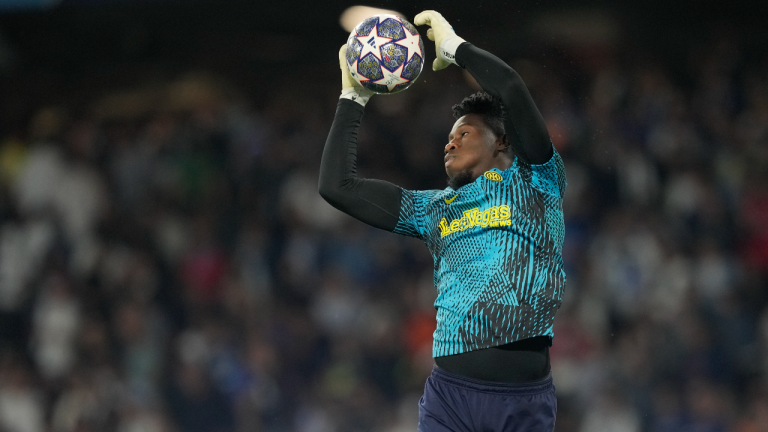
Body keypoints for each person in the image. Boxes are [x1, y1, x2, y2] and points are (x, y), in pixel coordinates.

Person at [319, 10, 565, 431]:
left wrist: (455, 49)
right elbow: (337, 187)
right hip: (448, 396)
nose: (449, 141)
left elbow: (508, 87)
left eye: (464, 133)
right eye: (448, 137)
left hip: (520, 401)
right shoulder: (432, 208)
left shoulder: (537, 181)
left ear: (502, 141)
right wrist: (353, 99)